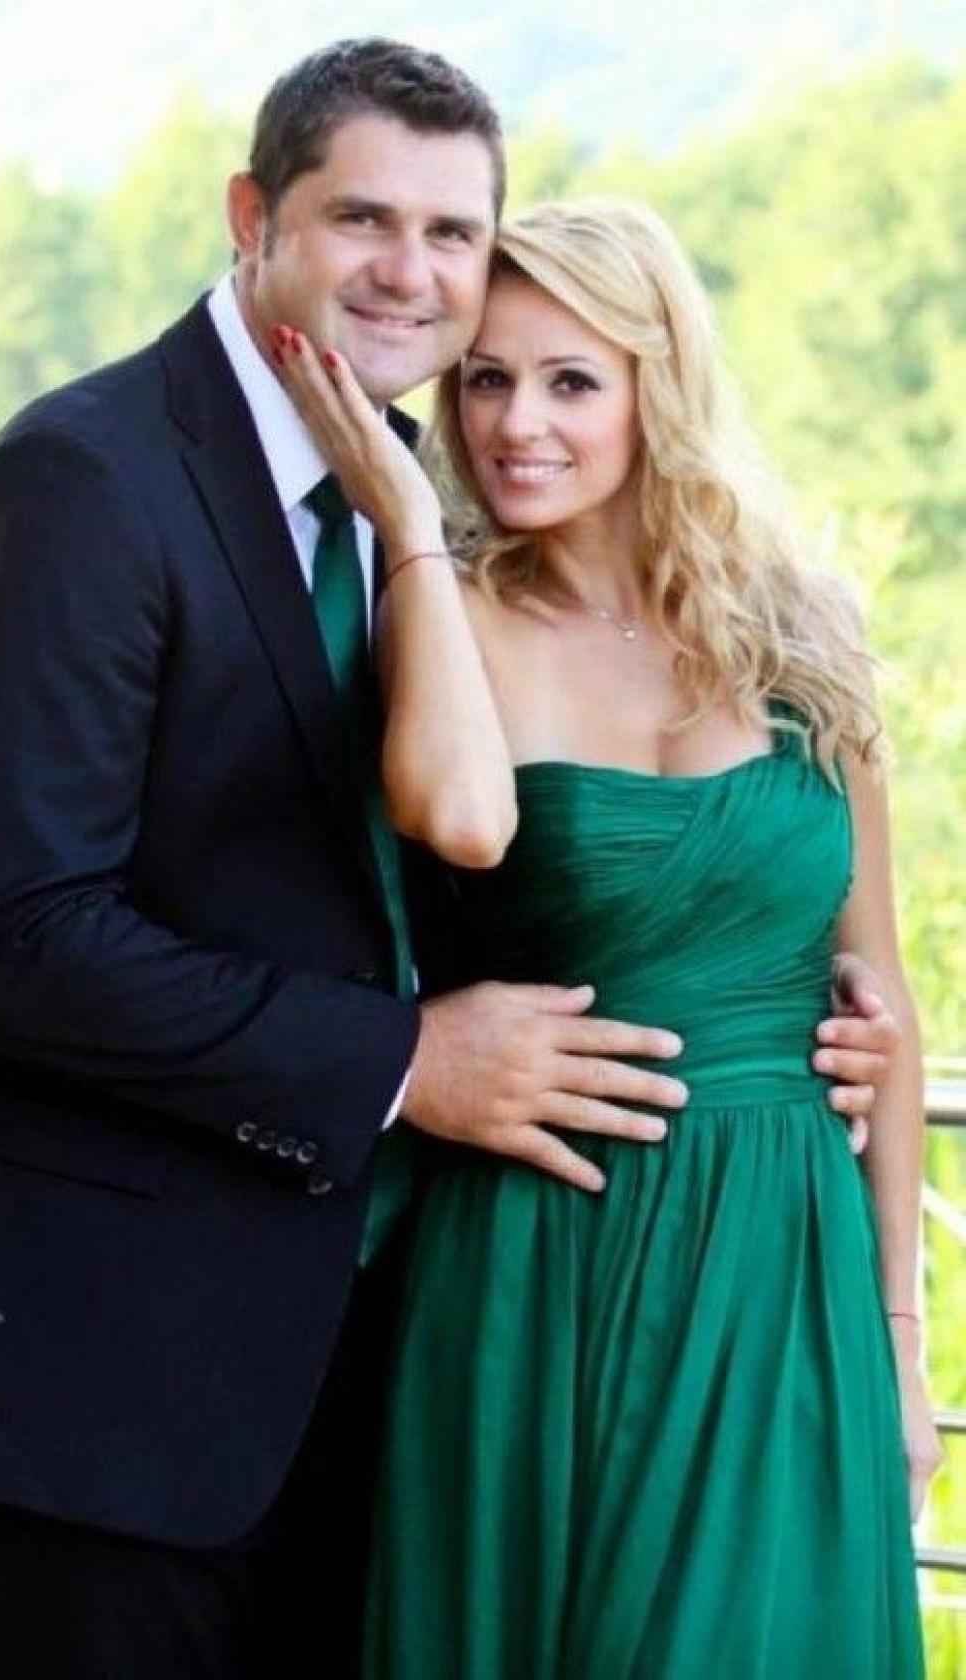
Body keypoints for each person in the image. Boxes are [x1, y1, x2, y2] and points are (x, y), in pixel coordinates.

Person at [0, 41, 897, 1680]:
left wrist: (794, 1011)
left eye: (452, 232)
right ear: (254, 219)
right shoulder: (81, 482)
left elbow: (436, 876)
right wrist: (407, 1062)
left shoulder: (400, 515)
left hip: (367, 1354)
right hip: (96, 1371)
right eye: (362, 218)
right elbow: (16, 936)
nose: (410, 271)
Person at [272, 196, 939, 1678]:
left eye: (571, 380)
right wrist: (407, 528)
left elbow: (881, 992)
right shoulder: (442, 612)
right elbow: (458, 819)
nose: (518, 425)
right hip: (542, 1250)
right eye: (486, 381)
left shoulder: (806, 634)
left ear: (657, 387)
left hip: (784, 1264)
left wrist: (898, 1340)